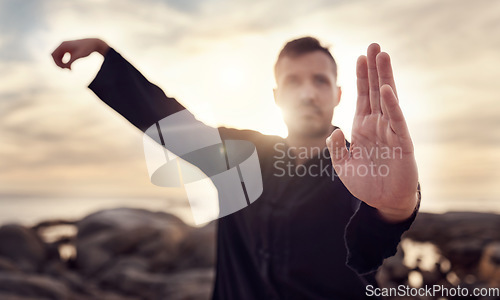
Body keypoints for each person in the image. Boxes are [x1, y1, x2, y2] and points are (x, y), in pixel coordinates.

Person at [52, 36, 420, 299]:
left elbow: (374, 240)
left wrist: (397, 205)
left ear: (338, 94)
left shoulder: (364, 168)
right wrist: (104, 52)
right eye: (293, 80)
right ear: (277, 96)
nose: (308, 92)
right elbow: (168, 122)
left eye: (320, 81)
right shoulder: (241, 154)